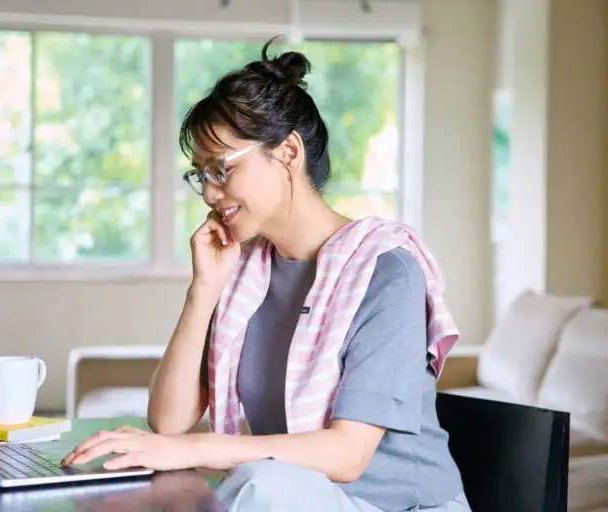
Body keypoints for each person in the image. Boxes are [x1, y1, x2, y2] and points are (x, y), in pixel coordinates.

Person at [62, 37, 470, 512]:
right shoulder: (248, 273)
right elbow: (169, 423)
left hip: (397, 507)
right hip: (302, 499)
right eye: (200, 175)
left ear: (288, 152)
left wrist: (197, 448)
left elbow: (348, 454)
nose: (210, 193)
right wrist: (204, 291)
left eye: (221, 169)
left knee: (260, 486)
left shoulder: (386, 271)